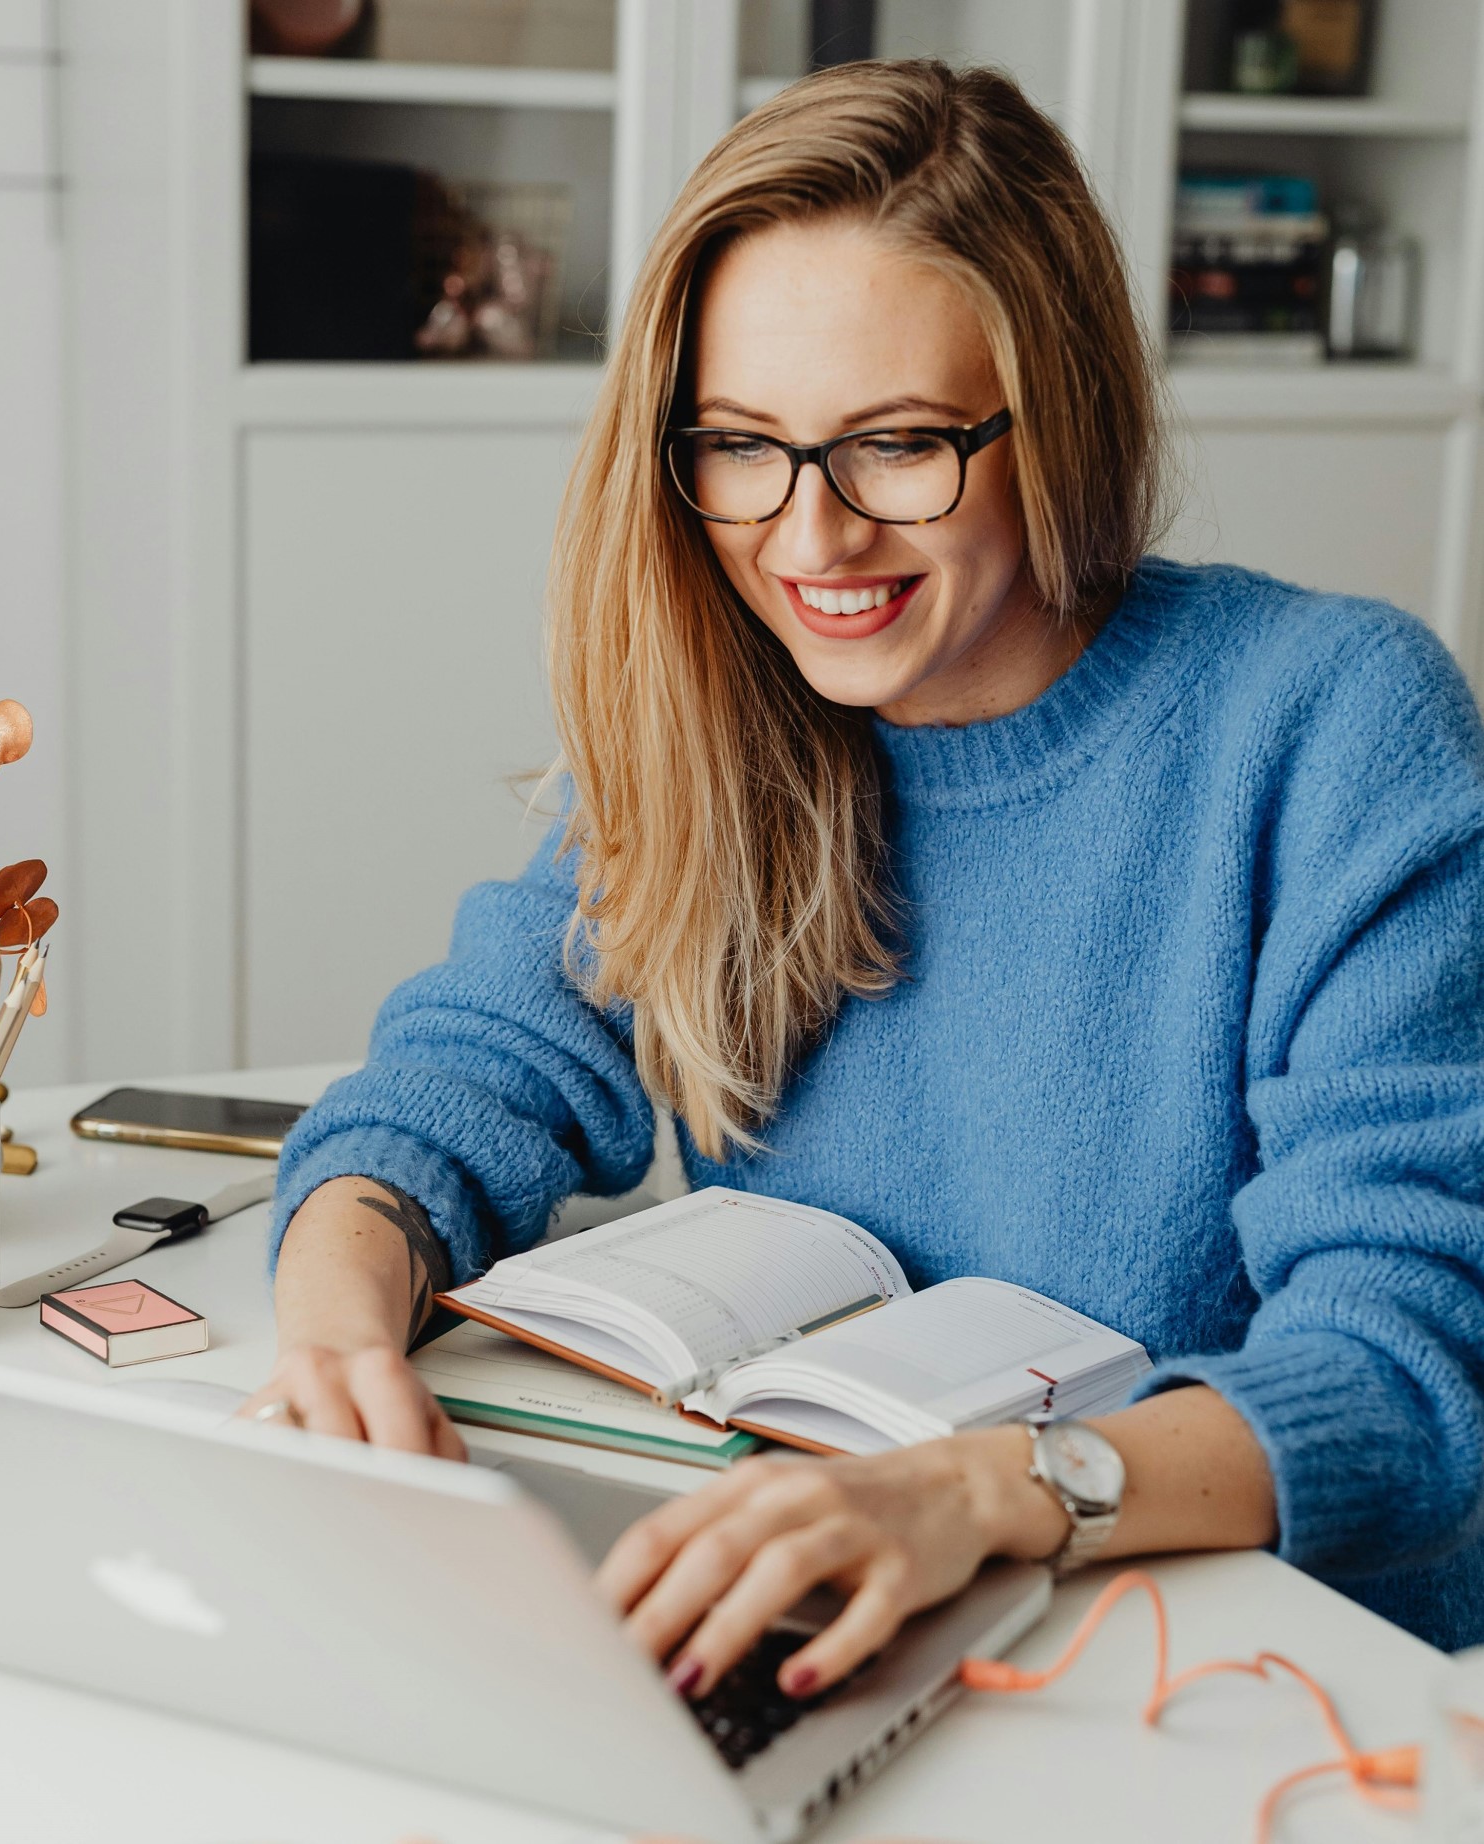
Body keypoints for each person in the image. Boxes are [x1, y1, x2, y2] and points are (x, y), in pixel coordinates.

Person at [241, 59, 1484, 1697]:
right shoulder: (719, 709)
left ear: (1061, 412)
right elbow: (465, 1076)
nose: (810, 541)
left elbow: (1409, 1371)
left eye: (895, 446)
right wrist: (337, 1314)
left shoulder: (1327, 724)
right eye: (741, 446)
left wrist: (985, 1494)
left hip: (1241, 1669)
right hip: (840, 1607)